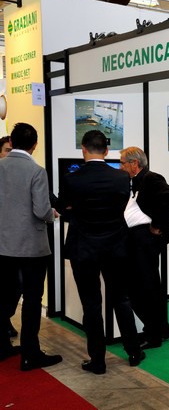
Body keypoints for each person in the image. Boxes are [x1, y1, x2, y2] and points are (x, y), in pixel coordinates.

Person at [57, 130, 145, 374]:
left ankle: (98, 360)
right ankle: (133, 351)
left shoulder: (72, 179)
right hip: (115, 247)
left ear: (83, 149)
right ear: (106, 151)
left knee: (91, 304)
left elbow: (64, 208)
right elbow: (121, 206)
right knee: (121, 298)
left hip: (83, 248)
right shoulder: (121, 177)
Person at [0, 123, 63, 370]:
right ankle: (30, 354)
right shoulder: (37, 171)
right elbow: (41, 210)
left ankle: (2, 346)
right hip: (31, 247)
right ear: (35, 145)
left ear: (11, 142)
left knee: (5, 296)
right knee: (32, 299)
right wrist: (52, 214)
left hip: (3, 245)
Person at [120, 146, 169, 349]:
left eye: (122, 163)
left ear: (134, 163)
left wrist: (157, 224)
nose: (120, 167)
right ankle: (160, 329)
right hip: (137, 240)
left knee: (144, 287)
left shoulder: (151, 178)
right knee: (146, 286)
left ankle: (153, 334)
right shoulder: (136, 181)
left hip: (145, 240)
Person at [0, 135, 20, 340]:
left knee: (15, 286)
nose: (10, 154)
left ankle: (5, 319)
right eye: (7, 150)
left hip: (16, 245)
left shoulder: (27, 173)